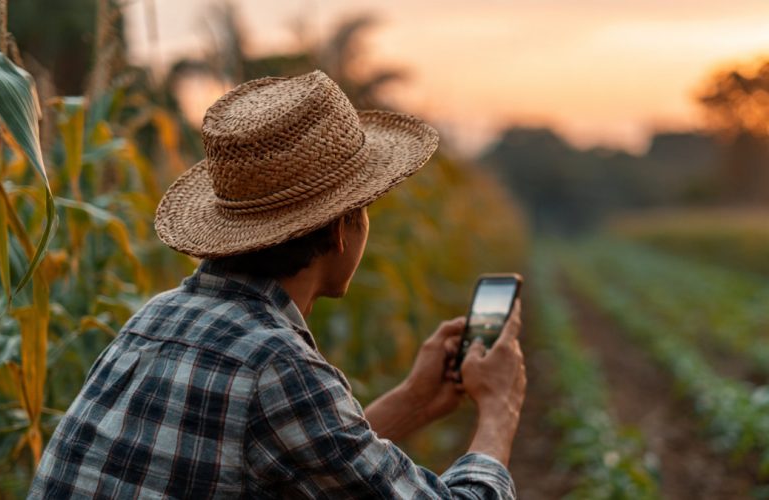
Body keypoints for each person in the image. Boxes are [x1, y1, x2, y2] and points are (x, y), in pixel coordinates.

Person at [29, 70, 526, 499]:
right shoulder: (275, 364)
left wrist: (415, 401)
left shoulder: (154, 319)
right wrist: (499, 411)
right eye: (365, 209)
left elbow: (298, 460)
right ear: (339, 229)